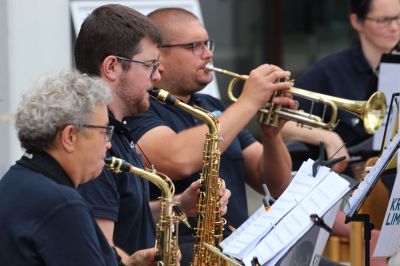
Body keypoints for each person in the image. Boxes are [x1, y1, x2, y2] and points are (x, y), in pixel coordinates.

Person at [125, 7, 297, 264]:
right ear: (159, 55)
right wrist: (248, 103)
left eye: (208, 43)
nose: (208, 54)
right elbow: (177, 159)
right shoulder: (140, 108)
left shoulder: (212, 105)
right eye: (195, 46)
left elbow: (276, 184)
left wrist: (271, 137)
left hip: (240, 249)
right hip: (183, 253)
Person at [74, 4, 230, 266]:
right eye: (150, 65)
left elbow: (125, 213)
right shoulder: (94, 142)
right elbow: (101, 249)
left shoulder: (119, 131)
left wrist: (180, 204)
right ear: (111, 66)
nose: (158, 75)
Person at [281, 0, 400, 265]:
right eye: (384, 20)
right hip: (349, 191)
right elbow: (280, 124)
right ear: (357, 22)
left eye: (399, 18)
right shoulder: (329, 71)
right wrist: (325, 136)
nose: (395, 28)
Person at [0, 71, 117, 265]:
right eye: (104, 131)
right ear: (70, 137)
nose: (108, 143)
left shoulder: (13, 180)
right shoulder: (63, 205)